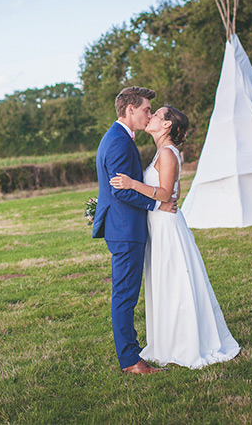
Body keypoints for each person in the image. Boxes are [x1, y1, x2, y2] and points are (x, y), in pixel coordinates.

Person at [110, 105, 241, 369]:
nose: (151, 117)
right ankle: (167, 341)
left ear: (167, 125)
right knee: (164, 282)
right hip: (158, 225)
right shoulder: (162, 152)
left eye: (156, 115)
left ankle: (185, 342)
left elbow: (165, 193)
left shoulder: (168, 153)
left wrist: (132, 183)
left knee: (174, 281)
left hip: (167, 227)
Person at [92, 87, 179, 375]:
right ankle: (130, 360)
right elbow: (121, 192)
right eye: (145, 109)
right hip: (125, 229)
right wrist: (157, 207)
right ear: (130, 110)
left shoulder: (118, 138)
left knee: (126, 294)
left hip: (126, 228)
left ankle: (132, 351)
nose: (148, 114)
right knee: (125, 296)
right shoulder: (117, 142)